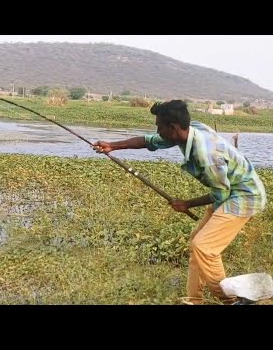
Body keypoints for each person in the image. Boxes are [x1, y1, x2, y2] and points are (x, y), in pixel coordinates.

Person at [92, 100, 267, 305]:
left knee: (204, 247)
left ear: (173, 128)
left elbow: (221, 194)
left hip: (245, 197)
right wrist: (112, 146)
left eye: (159, 126)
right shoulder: (190, 130)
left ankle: (232, 300)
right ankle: (194, 300)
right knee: (197, 241)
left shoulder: (206, 155)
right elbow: (150, 141)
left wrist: (188, 204)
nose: (157, 130)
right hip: (229, 191)